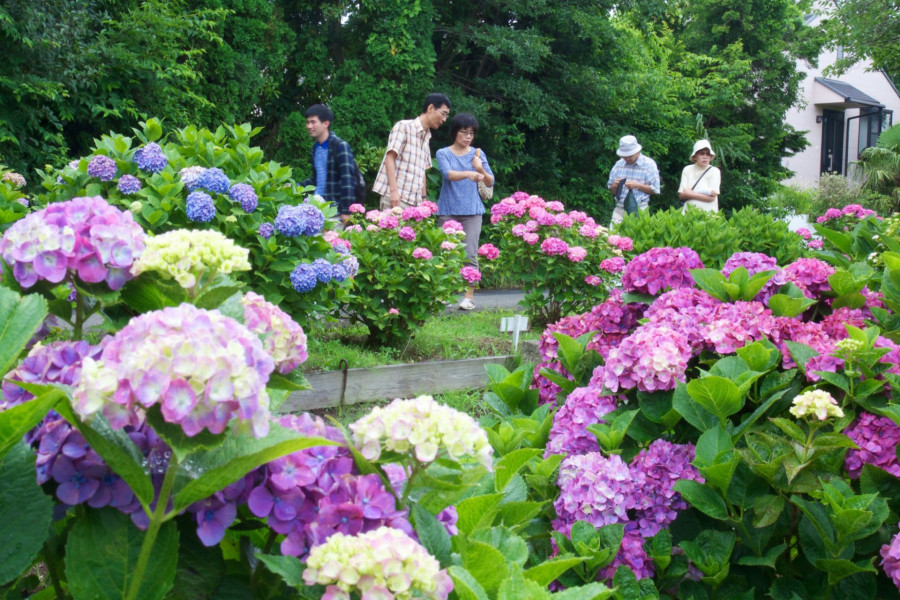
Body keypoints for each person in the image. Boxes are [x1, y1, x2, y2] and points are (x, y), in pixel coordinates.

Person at [436, 113, 494, 311]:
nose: (468, 137)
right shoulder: (443, 153)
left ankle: (469, 296)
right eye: (464, 132)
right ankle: (442, 293)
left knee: (469, 254)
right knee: (445, 252)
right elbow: (448, 174)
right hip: (448, 210)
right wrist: (470, 173)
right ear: (455, 132)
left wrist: (480, 169)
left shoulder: (477, 154)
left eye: (471, 133)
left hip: (472, 212)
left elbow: (490, 181)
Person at [372, 93, 452, 210]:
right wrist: (394, 192)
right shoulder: (403, 127)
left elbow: (422, 171)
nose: (444, 119)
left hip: (415, 204)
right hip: (396, 200)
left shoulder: (426, 137)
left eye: (447, 116)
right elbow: (390, 158)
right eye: (443, 113)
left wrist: (424, 200)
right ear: (430, 108)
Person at [299, 104, 358, 222]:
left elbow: (348, 181)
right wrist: (295, 186)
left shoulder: (340, 146)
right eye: (307, 122)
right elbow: (316, 180)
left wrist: (346, 211)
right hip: (317, 209)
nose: (309, 126)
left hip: (335, 211)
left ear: (326, 123)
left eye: (313, 122)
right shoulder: (316, 148)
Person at [607, 135, 660, 226]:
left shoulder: (649, 164)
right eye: (624, 156)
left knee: (638, 238)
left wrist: (638, 185)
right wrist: (615, 185)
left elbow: (656, 190)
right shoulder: (618, 164)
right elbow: (611, 190)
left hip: (640, 208)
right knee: (614, 238)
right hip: (620, 209)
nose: (627, 158)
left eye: (630, 156)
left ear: (637, 152)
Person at [678, 140, 721, 213]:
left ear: (711, 157)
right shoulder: (687, 169)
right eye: (701, 154)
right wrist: (703, 193)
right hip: (688, 213)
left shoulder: (714, 171)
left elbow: (711, 197)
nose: (705, 157)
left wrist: (689, 193)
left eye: (708, 154)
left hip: (708, 214)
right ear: (695, 156)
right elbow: (681, 195)